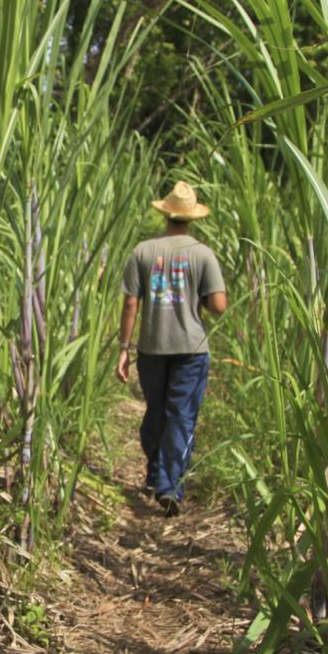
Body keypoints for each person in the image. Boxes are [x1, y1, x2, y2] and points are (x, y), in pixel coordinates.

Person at [116, 180, 226, 516]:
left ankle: (155, 474)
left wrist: (124, 348)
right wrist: (200, 297)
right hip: (191, 349)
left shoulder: (142, 252)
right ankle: (169, 486)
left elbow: (131, 304)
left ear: (165, 214)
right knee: (181, 417)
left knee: (155, 413)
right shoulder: (203, 255)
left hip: (152, 348)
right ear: (192, 217)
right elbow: (218, 306)